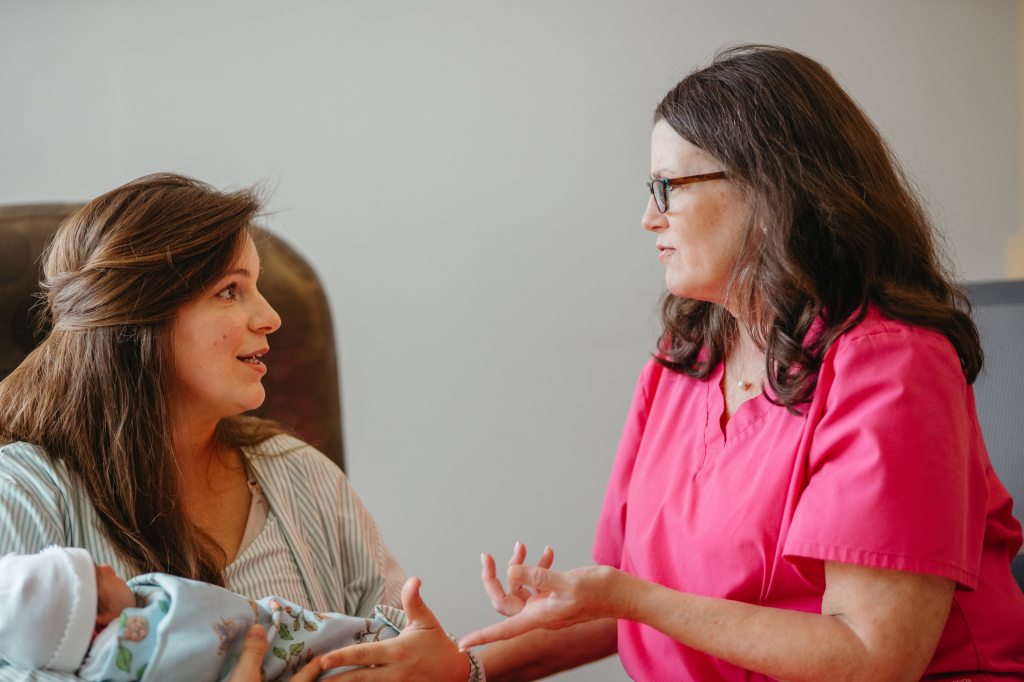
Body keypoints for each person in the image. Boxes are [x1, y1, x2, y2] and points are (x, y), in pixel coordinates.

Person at [452, 45, 1024, 680]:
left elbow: (872, 658)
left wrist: (635, 599)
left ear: (770, 189)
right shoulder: (683, 362)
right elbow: (613, 607)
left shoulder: (893, 365)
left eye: (668, 187)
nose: (649, 218)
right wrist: (456, 668)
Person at [0, 173, 482, 681]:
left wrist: (460, 673)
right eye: (230, 291)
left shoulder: (304, 478)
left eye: (257, 287)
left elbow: (407, 654)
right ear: (136, 320)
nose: (271, 317)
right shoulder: (20, 497)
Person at [0, 546, 402, 680]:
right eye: (96, 575)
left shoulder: (291, 462)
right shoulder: (150, 638)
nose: (107, 567)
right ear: (100, 623)